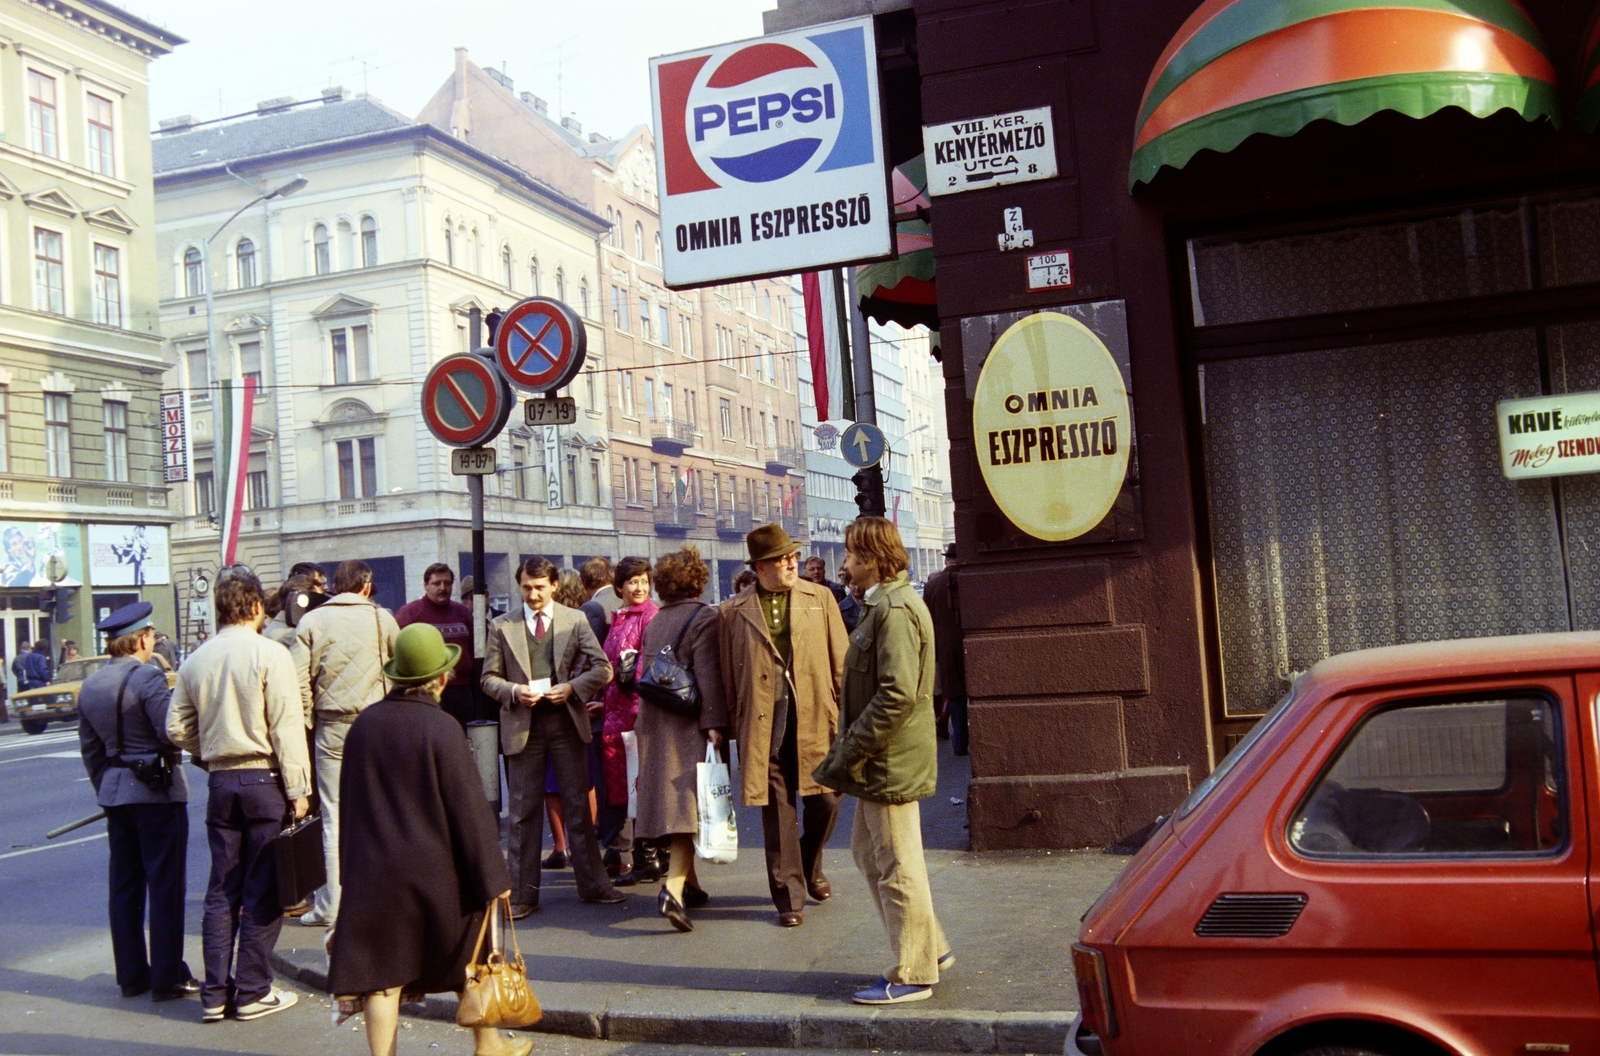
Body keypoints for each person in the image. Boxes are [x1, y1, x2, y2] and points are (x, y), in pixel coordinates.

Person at [326, 623, 527, 1056]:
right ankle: (489, 1044)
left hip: (375, 875)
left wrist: (348, 876)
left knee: (382, 975)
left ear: (397, 676)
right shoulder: (441, 727)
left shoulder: (364, 725)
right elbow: (469, 810)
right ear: (440, 678)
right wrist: (493, 876)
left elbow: (350, 806)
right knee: (468, 956)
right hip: (435, 875)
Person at [815, 516, 951, 1005]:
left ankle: (913, 972)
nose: (846, 565)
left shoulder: (894, 610)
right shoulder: (885, 605)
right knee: (871, 856)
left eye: (852, 556)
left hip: (887, 761)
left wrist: (847, 751)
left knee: (896, 865)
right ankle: (929, 947)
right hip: (880, 760)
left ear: (872, 559)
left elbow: (896, 695)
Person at [167, 570, 311, 1022]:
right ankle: (252, 990)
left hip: (220, 783)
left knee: (221, 888)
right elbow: (286, 727)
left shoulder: (195, 661)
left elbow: (175, 728)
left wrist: (208, 750)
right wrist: (299, 789)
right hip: (264, 780)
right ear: (253, 608)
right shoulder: (270, 654)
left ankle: (214, 994)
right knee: (263, 888)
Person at [719, 523, 848, 927]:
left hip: (815, 719)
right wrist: (727, 725)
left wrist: (850, 715)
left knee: (826, 800)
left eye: (793, 556)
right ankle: (788, 897)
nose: (791, 563)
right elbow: (727, 674)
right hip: (763, 727)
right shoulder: (732, 612)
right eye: (781, 559)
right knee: (778, 813)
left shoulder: (820, 597)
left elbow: (841, 660)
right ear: (759, 567)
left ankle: (809, 864)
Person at [481, 556, 619, 917]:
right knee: (523, 814)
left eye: (540, 587)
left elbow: (602, 668)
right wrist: (513, 691)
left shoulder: (573, 620)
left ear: (555, 586)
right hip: (523, 726)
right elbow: (487, 679)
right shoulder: (502, 626)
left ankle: (594, 885)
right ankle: (524, 895)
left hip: (565, 723)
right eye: (526, 587)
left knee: (577, 806)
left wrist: (572, 688)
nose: (533, 594)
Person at [77, 602, 198, 1003]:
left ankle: (131, 975)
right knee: (165, 886)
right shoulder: (147, 677)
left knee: (125, 887)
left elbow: (91, 750)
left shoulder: (91, 685)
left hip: (115, 794)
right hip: (156, 794)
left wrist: (108, 788)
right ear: (143, 639)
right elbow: (170, 732)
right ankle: (166, 977)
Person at [292, 559, 400, 928]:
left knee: (332, 817)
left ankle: (331, 905)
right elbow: (400, 668)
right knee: (378, 813)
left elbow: (299, 681)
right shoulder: (382, 618)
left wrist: (310, 719)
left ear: (336, 587)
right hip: (375, 724)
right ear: (366, 586)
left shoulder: (311, 621)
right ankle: (381, 900)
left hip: (331, 727)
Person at [634, 547, 727, 932]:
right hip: (687, 724)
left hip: (654, 720)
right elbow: (707, 674)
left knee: (673, 801)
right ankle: (671, 889)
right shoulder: (703, 616)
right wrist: (716, 723)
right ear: (698, 579)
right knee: (689, 807)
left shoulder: (656, 619)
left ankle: (692, 885)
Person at [602, 557, 659, 885]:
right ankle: (630, 856)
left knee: (638, 788)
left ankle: (643, 857)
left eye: (643, 581)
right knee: (625, 789)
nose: (639, 587)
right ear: (619, 587)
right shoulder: (621, 617)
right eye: (632, 582)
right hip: (616, 716)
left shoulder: (649, 616)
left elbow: (647, 668)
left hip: (636, 716)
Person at [395, 563, 476, 729]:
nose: (443, 588)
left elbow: (474, 648)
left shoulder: (462, 613)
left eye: (447, 583)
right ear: (426, 585)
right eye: (436, 583)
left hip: (462, 692)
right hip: (426, 693)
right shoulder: (410, 613)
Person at [924, 544, 968, 756]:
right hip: (972, 643)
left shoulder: (933, 586)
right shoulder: (970, 580)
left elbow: (928, 621)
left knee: (956, 695)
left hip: (946, 648)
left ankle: (960, 744)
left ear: (946, 560)